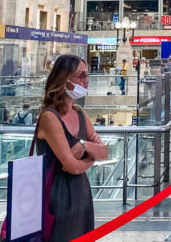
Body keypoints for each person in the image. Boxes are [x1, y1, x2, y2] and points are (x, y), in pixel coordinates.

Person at [36, 54, 107, 242]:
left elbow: (103, 153)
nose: (86, 80)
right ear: (64, 79)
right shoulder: (49, 117)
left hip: (81, 194)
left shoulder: (79, 113)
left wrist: (84, 146)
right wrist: (89, 157)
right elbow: (71, 165)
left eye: (86, 75)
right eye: (81, 75)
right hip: (56, 196)